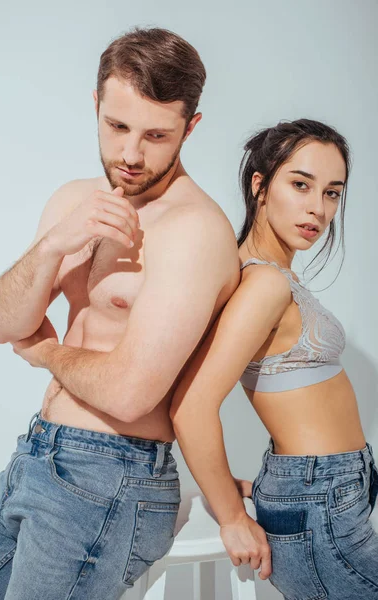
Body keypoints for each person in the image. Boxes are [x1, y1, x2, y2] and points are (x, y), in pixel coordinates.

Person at [0, 27, 240, 599]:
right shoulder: (73, 200)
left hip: (112, 476)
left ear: (190, 129)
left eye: (155, 135)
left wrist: (42, 349)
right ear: (96, 104)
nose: (130, 154)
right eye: (117, 126)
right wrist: (53, 245)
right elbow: (2, 320)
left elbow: (128, 395)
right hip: (36, 454)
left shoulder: (192, 231)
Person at [170, 119, 378, 598]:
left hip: (328, 488)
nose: (317, 208)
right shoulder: (263, 283)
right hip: (317, 495)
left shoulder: (273, 275)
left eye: (332, 193)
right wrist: (232, 517)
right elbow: (192, 406)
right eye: (301, 184)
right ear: (259, 185)